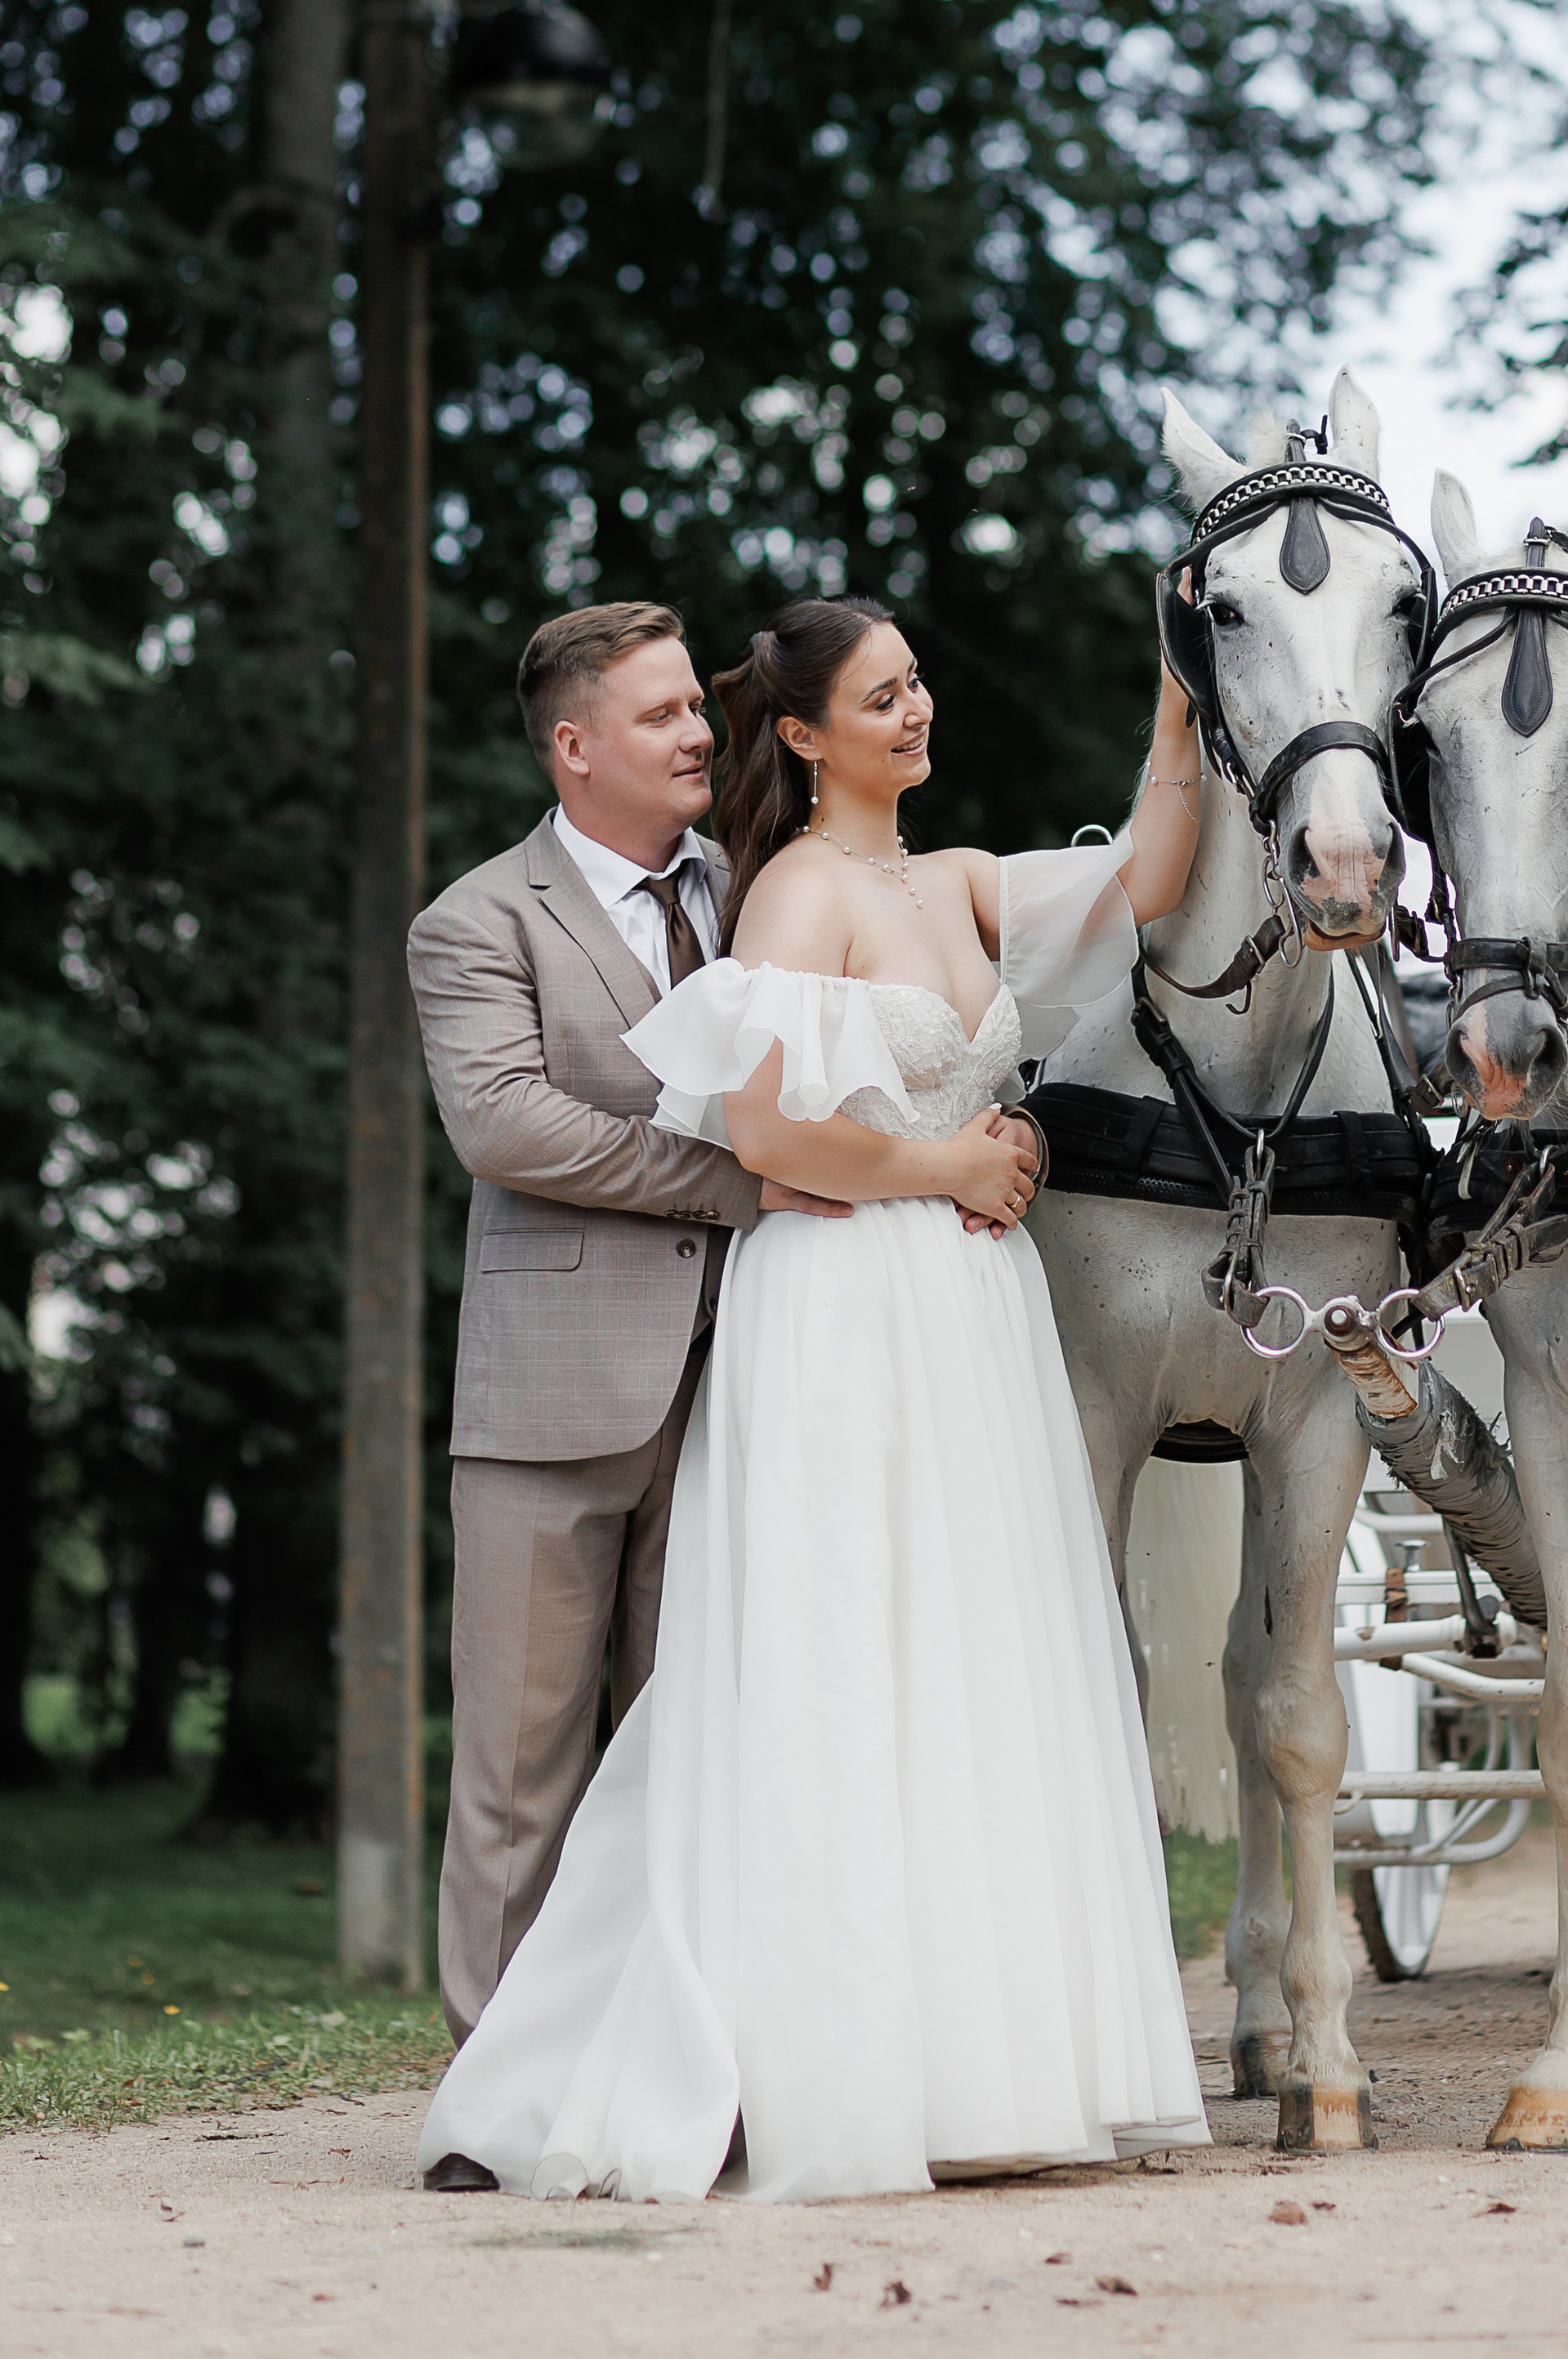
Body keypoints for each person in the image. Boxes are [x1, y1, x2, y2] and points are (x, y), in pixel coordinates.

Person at [414, 596, 1211, 2204]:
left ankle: (925, 2061)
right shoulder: (739, 898)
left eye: (921, 682)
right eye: (881, 692)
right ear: (807, 730)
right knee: (740, 1697)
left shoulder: (933, 879)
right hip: (817, 1305)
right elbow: (751, 1139)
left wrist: (1181, 707)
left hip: (951, 1319)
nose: (916, 710)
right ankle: (527, 2091)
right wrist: (952, 1165)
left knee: (939, 1668)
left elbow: (1138, 877)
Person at [406, 601, 847, 2096]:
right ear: (573, 745)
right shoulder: (476, 922)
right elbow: (508, 1124)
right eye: (660, 715)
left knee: (702, 1765)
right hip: (548, 1406)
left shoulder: (762, 888)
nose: (697, 736)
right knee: (521, 1778)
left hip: (745, 1389)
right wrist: (740, 1178)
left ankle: (682, 2076)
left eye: (695, 708)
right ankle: (502, 2089)